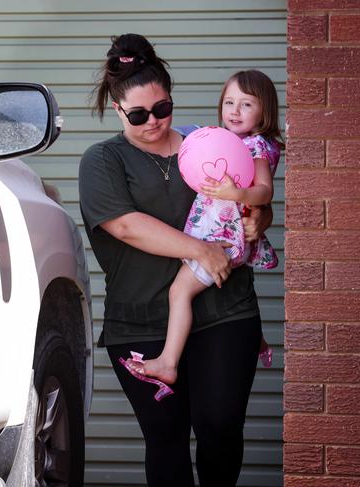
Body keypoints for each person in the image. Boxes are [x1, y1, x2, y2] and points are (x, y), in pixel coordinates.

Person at [79, 33, 272, 487]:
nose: (154, 121)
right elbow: (125, 225)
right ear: (117, 109)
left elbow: (249, 196)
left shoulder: (208, 144)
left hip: (225, 312)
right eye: (140, 114)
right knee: (165, 438)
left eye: (162, 108)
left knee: (220, 428)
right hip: (142, 322)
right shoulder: (102, 161)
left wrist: (260, 217)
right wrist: (200, 248)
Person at [126, 69, 283, 386]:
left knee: (180, 291)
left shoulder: (255, 146)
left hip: (222, 240)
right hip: (220, 231)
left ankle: (168, 363)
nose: (235, 111)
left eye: (246, 104)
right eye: (229, 102)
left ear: (265, 111)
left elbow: (265, 191)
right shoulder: (228, 141)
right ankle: (258, 341)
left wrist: (236, 194)